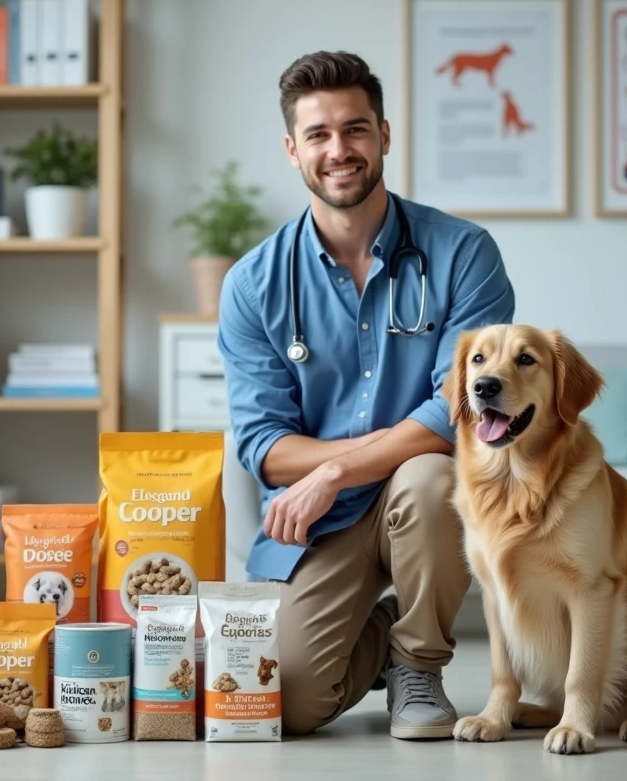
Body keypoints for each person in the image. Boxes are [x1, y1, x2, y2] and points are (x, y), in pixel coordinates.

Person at [216, 50, 515, 739]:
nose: (339, 150)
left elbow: (461, 409)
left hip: (421, 493)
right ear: (293, 150)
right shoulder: (253, 284)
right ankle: (387, 631)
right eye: (318, 135)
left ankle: (418, 662)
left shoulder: (464, 253)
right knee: (288, 704)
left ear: (384, 134)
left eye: (355, 129)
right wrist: (344, 470)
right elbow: (263, 445)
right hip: (322, 524)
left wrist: (332, 469)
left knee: (431, 476)